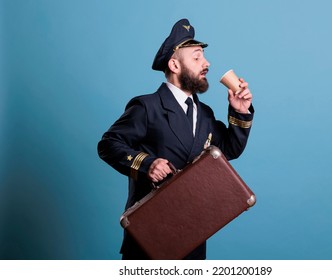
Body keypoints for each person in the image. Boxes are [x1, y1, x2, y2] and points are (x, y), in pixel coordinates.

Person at [97, 18, 255, 260]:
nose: (207, 63)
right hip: (149, 239)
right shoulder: (147, 106)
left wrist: (240, 110)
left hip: (191, 239)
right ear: (174, 65)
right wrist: (147, 164)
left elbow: (229, 150)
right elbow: (108, 144)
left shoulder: (205, 114)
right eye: (197, 57)